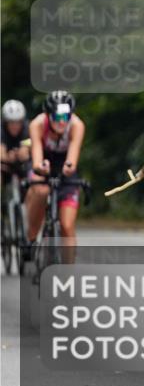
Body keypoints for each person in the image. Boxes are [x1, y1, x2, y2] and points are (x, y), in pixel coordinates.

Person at [25, 91, 86, 264]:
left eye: (66, 116)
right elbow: (36, 155)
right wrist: (40, 167)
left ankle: (69, 273)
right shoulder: (37, 124)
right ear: (48, 114)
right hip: (43, 162)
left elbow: (72, 158)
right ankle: (31, 238)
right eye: (57, 116)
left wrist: (69, 168)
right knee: (41, 190)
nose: (61, 121)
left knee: (67, 225)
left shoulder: (77, 125)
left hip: (64, 165)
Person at [1, 99, 31, 180]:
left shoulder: (28, 128)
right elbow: (1, 151)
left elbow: (27, 146)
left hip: (24, 165)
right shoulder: (1, 130)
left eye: (18, 122)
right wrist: (7, 157)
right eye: (11, 122)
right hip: (4, 166)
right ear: (5, 122)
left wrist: (25, 150)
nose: (15, 126)